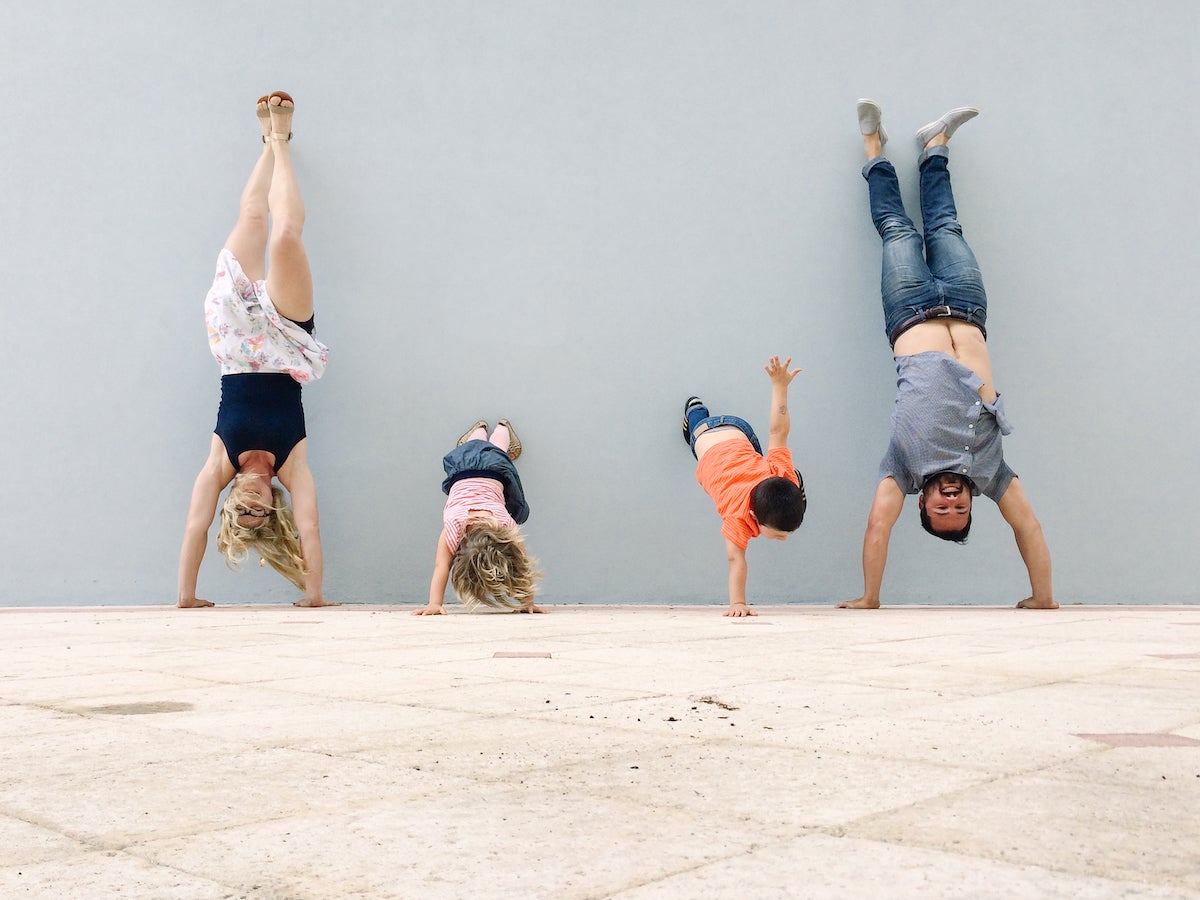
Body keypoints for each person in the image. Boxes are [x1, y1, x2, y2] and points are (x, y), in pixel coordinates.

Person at [838, 100, 1056, 610]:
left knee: (896, 229)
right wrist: (1044, 598)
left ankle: (874, 149)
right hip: (967, 306)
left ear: (923, 505)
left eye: (942, 508)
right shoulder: (991, 472)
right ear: (973, 503)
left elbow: (876, 527)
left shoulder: (902, 469)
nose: (953, 501)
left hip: (910, 311)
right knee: (946, 228)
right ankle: (935, 145)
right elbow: (1028, 525)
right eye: (960, 509)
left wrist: (870, 597)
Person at [176, 92, 335, 608]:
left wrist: (187, 597)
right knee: (286, 238)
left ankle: (267, 144)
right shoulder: (294, 466)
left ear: (230, 507)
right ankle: (282, 141)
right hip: (287, 343)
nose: (248, 508)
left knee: (251, 220)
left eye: (238, 513)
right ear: (271, 508)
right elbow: (309, 529)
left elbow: (196, 527)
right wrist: (314, 597)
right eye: (256, 515)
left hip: (237, 345)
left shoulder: (218, 464)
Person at [682, 356, 807, 617]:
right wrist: (737, 603)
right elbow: (735, 559)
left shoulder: (781, 475)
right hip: (704, 436)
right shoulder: (737, 517)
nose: (784, 539)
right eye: (779, 534)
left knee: (774, 459)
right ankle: (694, 410)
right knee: (695, 429)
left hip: (740, 432)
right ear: (752, 517)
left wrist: (780, 386)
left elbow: (777, 432)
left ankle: (788, 489)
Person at [415, 419, 543, 615]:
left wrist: (528, 601)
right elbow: (441, 565)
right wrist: (434, 602)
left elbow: (522, 562)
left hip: (495, 470)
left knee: (517, 506)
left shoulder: (505, 525)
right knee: (473, 449)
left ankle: (500, 427)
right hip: (460, 467)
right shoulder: (453, 526)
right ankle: (480, 431)